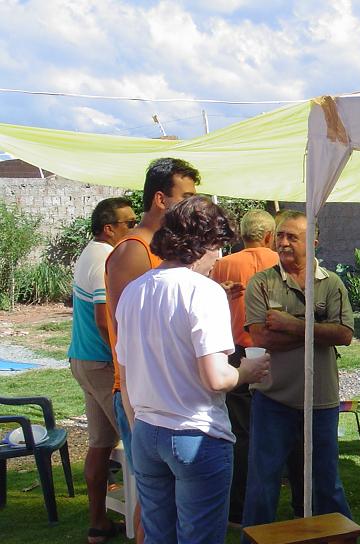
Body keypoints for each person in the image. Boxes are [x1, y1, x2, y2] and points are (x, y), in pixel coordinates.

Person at [115, 196, 270, 543]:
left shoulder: (134, 291)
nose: (219, 257)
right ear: (203, 244)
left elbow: (125, 376)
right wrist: (246, 370)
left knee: (158, 536)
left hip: (147, 432)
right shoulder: (204, 291)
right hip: (195, 433)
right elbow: (216, 377)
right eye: (218, 246)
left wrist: (139, 427)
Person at [104, 157, 199, 544]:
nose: (192, 205)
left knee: (168, 504)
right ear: (161, 199)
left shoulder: (160, 250)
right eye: (186, 197)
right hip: (140, 394)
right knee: (153, 505)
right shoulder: (134, 250)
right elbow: (130, 331)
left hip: (167, 391)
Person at [242, 210, 354, 529]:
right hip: (273, 398)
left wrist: (292, 325)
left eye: (292, 236)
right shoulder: (261, 283)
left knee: (326, 480)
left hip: (321, 400)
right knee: (263, 482)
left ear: (312, 242)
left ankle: (336, 535)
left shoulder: (331, 283)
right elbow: (263, 338)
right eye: (280, 235)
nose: (283, 242)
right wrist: (318, 330)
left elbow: (345, 335)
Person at [67, 197, 135, 543]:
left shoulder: (90, 253)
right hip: (101, 362)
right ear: (109, 228)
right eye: (129, 223)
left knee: (100, 444)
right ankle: (145, 526)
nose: (134, 229)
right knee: (138, 443)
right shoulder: (105, 258)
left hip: (84, 359)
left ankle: (98, 524)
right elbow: (103, 318)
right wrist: (125, 358)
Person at [209, 209, 279, 525]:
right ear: (270, 236)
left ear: (242, 235)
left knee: (240, 428)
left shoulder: (223, 264)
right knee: (277, 422)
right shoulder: (280, 261)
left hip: (236, 350)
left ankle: (238, 507)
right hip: (275, 347)